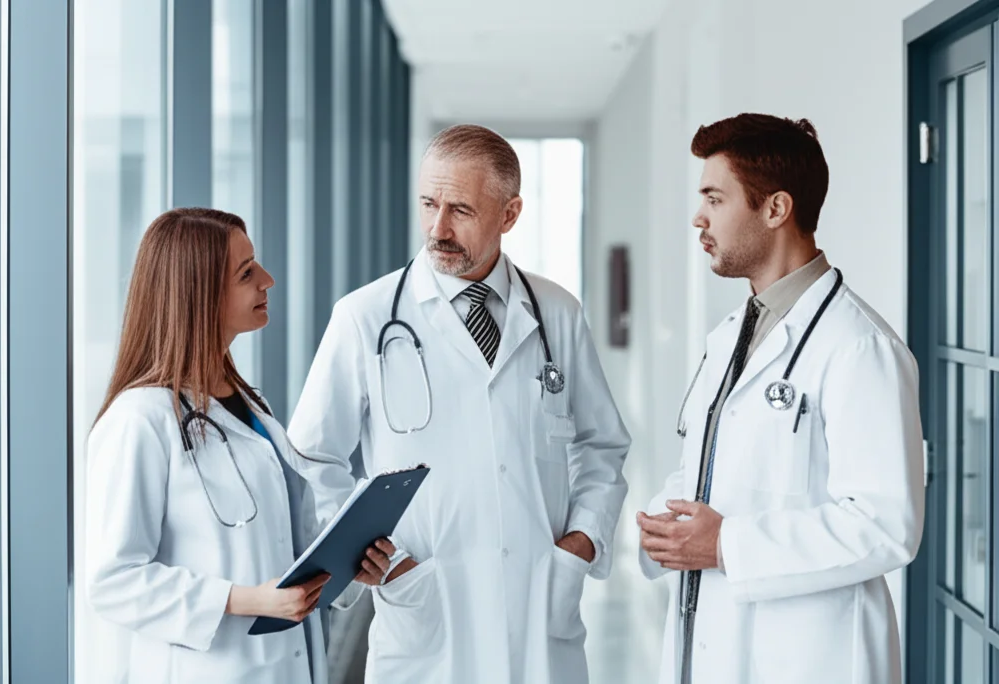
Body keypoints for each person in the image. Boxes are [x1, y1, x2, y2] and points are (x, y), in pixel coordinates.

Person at [287, 124, 631, 683]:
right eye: (429, 203)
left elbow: (601, 444)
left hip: (537, 606)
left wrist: (583, 541)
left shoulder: (557, 313)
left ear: (510, 213)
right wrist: (367, 553)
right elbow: (310, 455)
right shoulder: (365, 316)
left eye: (461, 210)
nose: (437, 228)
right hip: (424, 605)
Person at [636, 114, 924, 684]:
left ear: (775, 209)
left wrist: (726, 544)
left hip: (811, 657)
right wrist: (666, 524)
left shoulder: (859, 346)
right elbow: (712, 466)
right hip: (715, 640)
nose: (699, 217)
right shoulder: (730, 336)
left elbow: (886, 524)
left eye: (715, 198)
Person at [85, 208, 392, 684]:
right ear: (198, 295)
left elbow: (281, 541)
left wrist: (347, 566)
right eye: (247, 273)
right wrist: (246, 599)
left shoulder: (252, 405)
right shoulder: (139, 421)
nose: (268, 280)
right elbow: (114, 581)